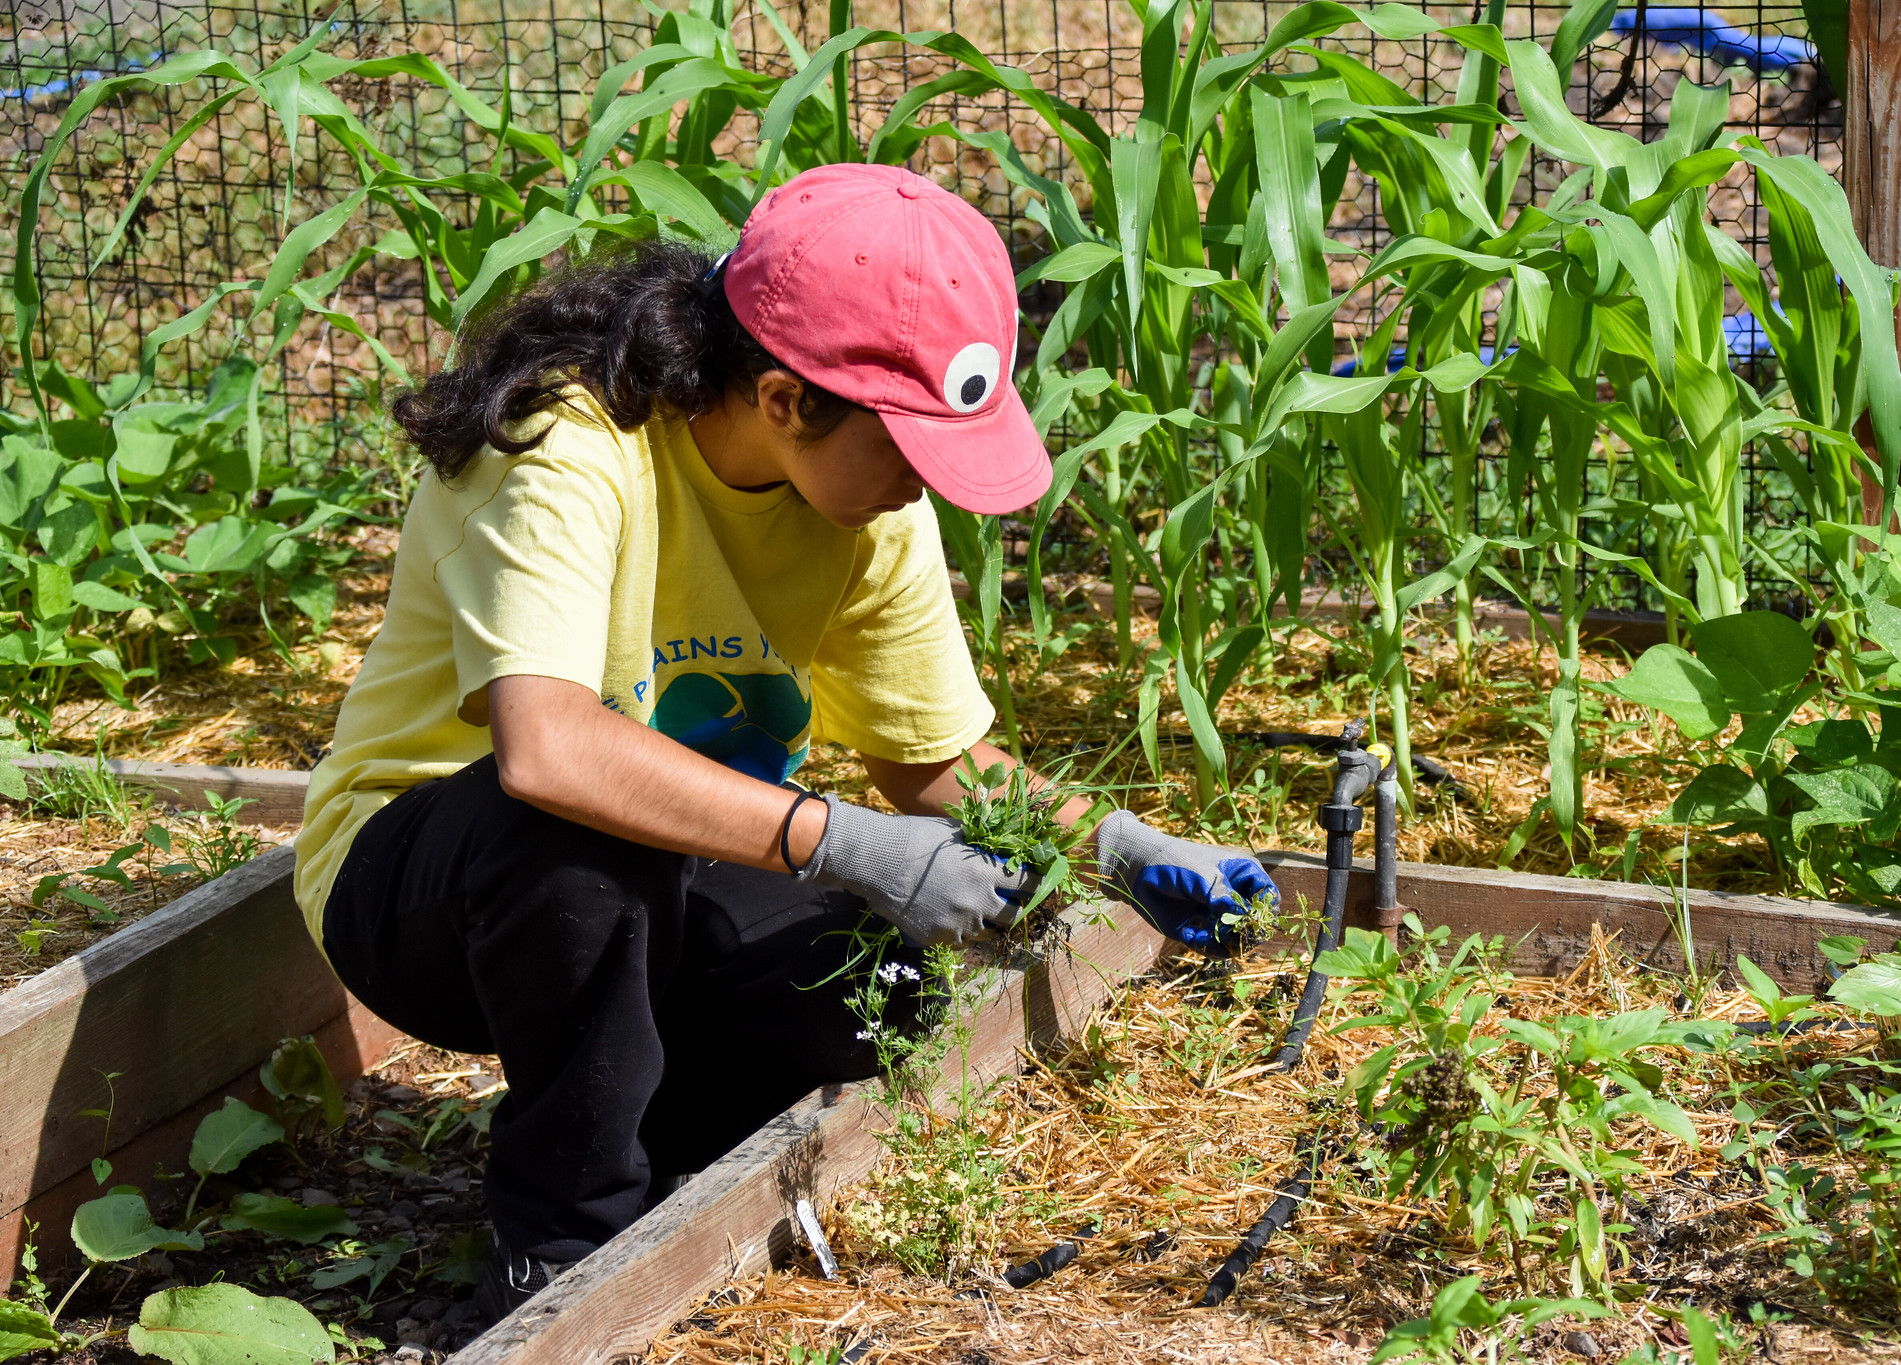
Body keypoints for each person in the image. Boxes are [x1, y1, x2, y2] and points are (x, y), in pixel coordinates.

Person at [294, 162, 1279, 1321]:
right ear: (780, 397)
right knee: (580, 845)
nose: (921, 492)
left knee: (885, 962)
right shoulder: (567, 443)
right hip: (429, 886)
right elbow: (548, 753)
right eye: (904, 450)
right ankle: (557, 1253)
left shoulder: (860, 508)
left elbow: (929, 767)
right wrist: (843, 838)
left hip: (665, 868)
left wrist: (1117, 843)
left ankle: (668, 1163)